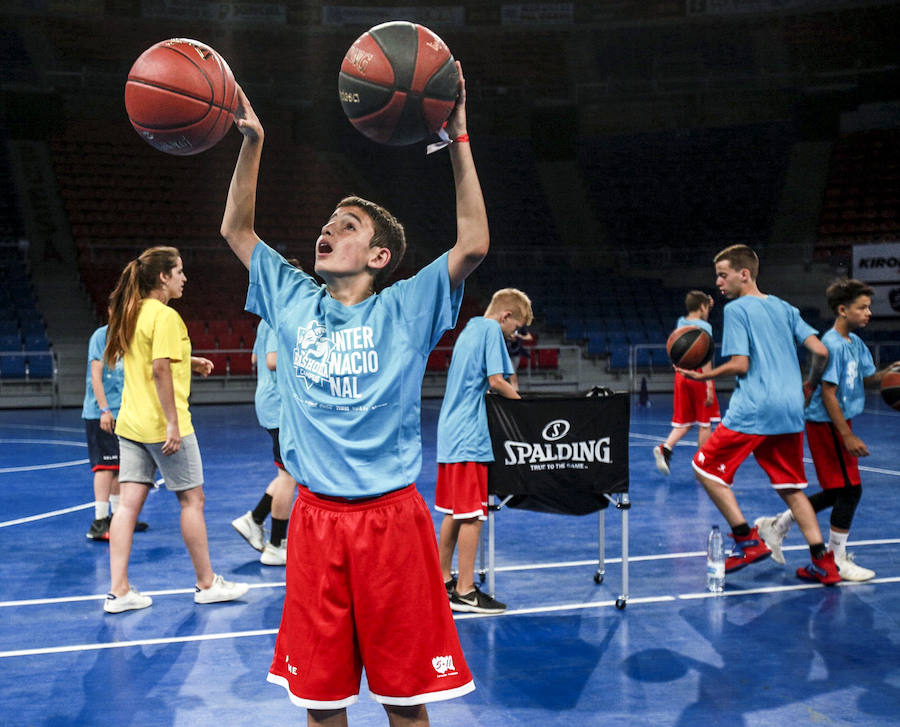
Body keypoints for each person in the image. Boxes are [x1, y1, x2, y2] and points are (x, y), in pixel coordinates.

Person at [220, 63, 484, 725]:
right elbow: (237, 231)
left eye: (348, 224)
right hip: (313, 521)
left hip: (391, 521)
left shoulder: (405, 307)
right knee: (320, 702)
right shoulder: (292, 297)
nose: (329, 228)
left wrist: (457, 139)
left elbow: (473, 243)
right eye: (329, 220)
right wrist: (252, 141)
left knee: (405, 701)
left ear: (378, 257)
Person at [677, 244, 840, 585]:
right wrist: (809, 384)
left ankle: (746, 540)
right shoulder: (784, 307)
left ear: (744, 274)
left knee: (703, 467)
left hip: (755, 406)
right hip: (790, 407)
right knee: (792, 488)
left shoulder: (737, 310)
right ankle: (823, 563)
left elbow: (740, 364)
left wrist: (703, 375)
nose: (719, 283)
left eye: (723, 275)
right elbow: (821, 351)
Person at [102, 246, 249, 613]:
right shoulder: (165, 316)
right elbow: (159, 369)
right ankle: (206, 583)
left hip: (131, 424)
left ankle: (118, 591)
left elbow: (156, 358)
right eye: (179, 271)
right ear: (163, 277)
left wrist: (191, 359)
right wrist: (171, 423)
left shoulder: (132, 312)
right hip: (164, 427)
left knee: (126, 507)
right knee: (192, 500)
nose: (184, 278)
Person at [754, 279, 900, 581]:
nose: (869, 313)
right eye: (863, 308)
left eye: (869, 307)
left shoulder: (855, 344)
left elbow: (868, 379)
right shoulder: (831, 344)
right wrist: (846, 435)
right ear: (843, 310)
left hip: (837, 423)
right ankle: (835, 558)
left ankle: (777, 526)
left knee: (837, 491)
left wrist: (890, 374)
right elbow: (828, 394)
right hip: (826, 424)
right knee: (850, 491)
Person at [435, 288, 532, 614]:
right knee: (473, 516)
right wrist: (528, 410)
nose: (514, 334)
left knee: (453, 511)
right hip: (469, 436)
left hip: (450, 434)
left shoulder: (471, 328)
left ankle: (441, 581)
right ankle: (464, 591)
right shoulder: (491, 330)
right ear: (505, 316)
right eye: (515, 327)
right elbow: (497, 381)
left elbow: (505, 374)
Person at [232, 308, 298, 566]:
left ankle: (255, 519)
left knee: (289, 472)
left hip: (273, 402)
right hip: (279, 405)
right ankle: (276, 545)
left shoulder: (266, 320)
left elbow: (253, 359)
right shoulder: (276, 317)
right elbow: (271, 360)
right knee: (289, 476)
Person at [82, 321, 148, 540]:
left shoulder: (130, 336)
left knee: (119, 467)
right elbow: (95, 374)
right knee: (104, 466)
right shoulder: (101, 336)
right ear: (111, 311)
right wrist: (104, 410)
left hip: (124, 412)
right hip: (103, 413)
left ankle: (119, 517)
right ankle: (99, 522)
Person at [654, 291, 721, 475]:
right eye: (707, 308)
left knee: (686, 422)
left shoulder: (680, 322)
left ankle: (665, 448)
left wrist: (706, 303)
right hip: (698, 374)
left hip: (681, 375)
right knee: (705, 423)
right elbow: (705, 357)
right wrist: (708, 384)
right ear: (702, 307)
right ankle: (703, 465)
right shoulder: (705, 326)